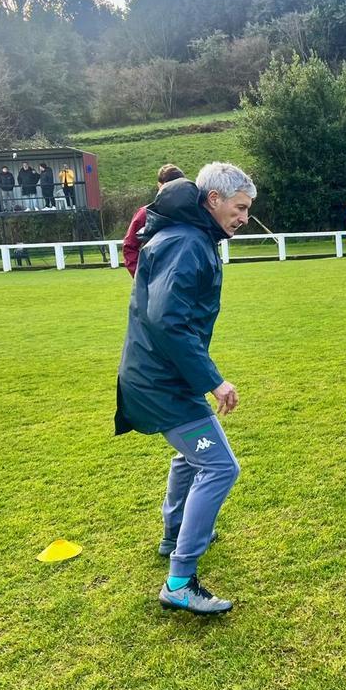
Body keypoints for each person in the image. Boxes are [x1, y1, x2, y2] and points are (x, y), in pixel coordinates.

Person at [115, 162, 256, 615]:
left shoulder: (191, 237)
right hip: (161, 381)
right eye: (240, 207)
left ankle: (174, 531)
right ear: (213, 200)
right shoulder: (188, 243)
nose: (244, 217)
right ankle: (179, 579)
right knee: (219, 466)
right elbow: (166, 320)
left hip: (161, 376)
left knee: (192, 455)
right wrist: (213, 380)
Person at [123, 164, 187, 277]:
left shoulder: (191, 211)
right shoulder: (145, 213)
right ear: (159, 186)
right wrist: (143, 276)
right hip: (156, 280)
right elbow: (129, 247)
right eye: (169, 186)